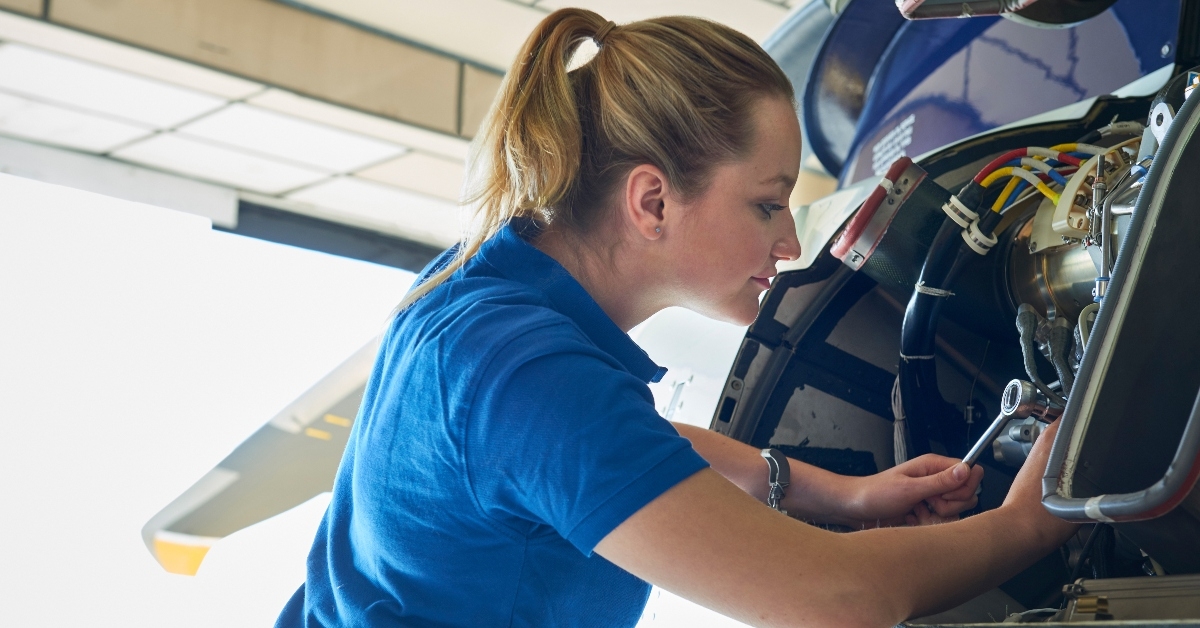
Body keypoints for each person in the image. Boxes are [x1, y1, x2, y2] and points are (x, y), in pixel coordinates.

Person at [276, 8, 1077, 627]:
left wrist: (840, 496)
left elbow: (605, 445)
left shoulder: (476, 294)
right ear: (652, 200)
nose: (792, 241)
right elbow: (835, 600)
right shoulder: (525, 376)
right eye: (767, 205)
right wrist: (1026, 528)